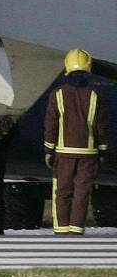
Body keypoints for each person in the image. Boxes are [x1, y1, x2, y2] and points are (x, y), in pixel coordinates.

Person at [44, 48, 110, 235]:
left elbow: (50, 124)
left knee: (62, 191)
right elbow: (102, 127)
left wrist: (49, 150)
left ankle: (61, 229)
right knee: (82, 192)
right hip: (88, 154)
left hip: (63, 154)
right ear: (88, 68)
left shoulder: (57, 95)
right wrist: (103, 151)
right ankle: (76, 229)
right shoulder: (95, 96)